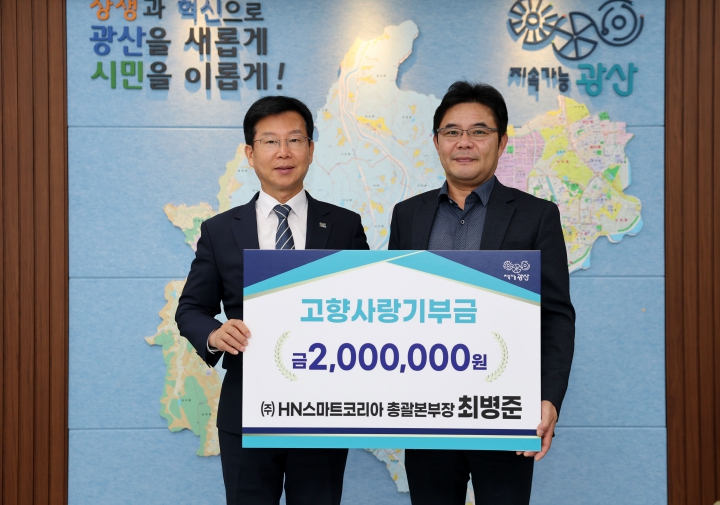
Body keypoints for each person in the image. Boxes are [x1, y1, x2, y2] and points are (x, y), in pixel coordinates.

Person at [388, 81, 575, 505]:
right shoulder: (408, 215)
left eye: (479, 131)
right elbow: (396, 310)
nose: (464, 143)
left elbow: (556, 316)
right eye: (452, 132)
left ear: (502, 141)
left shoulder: (536, 216)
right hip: (428, 412)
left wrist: (549, 397)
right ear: (436, 142)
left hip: (504, 408)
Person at [176, 95, 369, 505]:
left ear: (311, 149)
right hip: (247, 411)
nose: (283, 152)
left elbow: (367, 306)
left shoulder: (344, 226)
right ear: (250, 153)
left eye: (295, 140)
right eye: (270, 141)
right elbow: (191, 309)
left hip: (322, 412)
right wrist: (215, 334)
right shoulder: (220, 230)